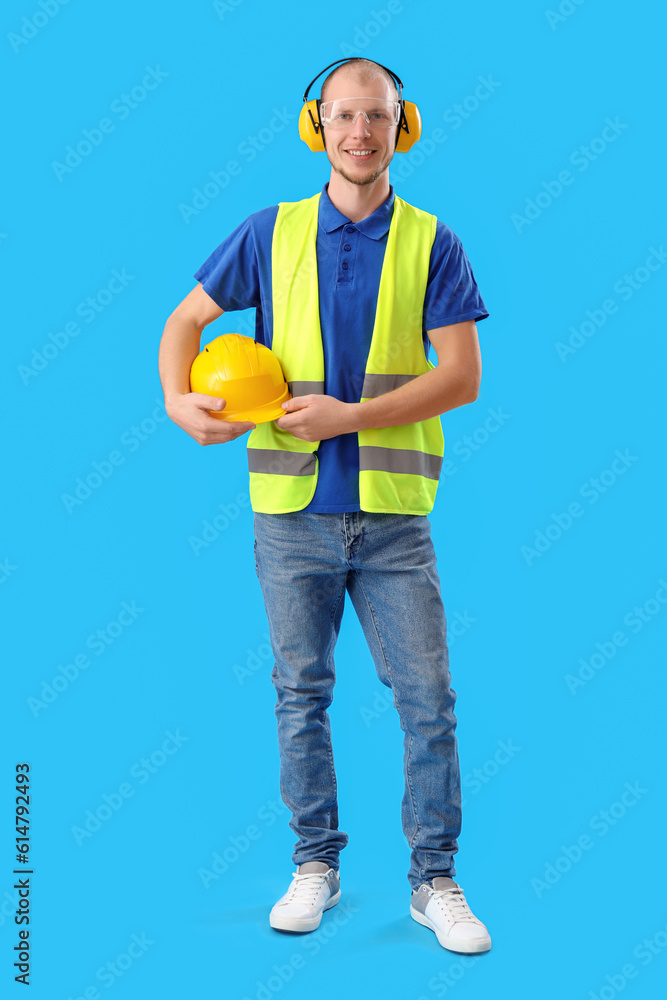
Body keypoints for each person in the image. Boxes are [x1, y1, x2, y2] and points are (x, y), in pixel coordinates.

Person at [158, 57, 492, 954]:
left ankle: (435, 881)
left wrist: (352, 417)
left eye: (376, 118)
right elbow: (183, 324)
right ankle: (315, 863)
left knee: (427, 698)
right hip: (290, 513)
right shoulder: (269, 235)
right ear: (318, 126)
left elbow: (460, 376)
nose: (359, 133)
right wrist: (175, 400)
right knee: (299, 692)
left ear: (401, 127)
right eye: (342, 116)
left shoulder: (432, 241)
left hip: (391, 514)